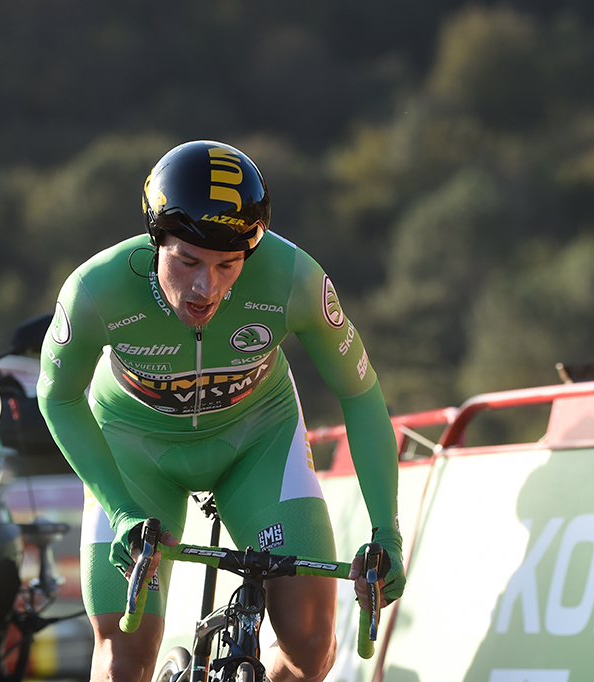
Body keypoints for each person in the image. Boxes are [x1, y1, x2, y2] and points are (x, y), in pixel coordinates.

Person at [36, 140, 406, 682]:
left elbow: (361, 393)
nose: (205, 288)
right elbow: (58, 395)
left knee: (310, 646)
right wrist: (119, 511)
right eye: (187, 261)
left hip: (256, 440)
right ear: (155, 239)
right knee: (123, 657)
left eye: (228, 266)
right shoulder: (96, 289)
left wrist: (385, 532)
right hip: (135, 449)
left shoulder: (294, 278)